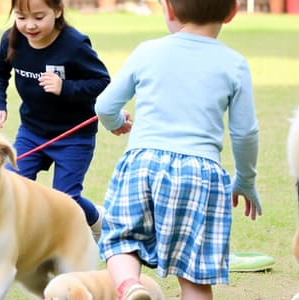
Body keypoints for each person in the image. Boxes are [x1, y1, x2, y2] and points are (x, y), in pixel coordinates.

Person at [93, 0, 261, 299]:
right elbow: (244, 133)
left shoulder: (147, 52)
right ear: (233, 11)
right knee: (194, 276)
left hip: (142, 163)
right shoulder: (234, 63)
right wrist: (245, 180)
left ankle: (130, 286)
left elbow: (105, 106)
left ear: (168, 10)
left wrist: (116, 122)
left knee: (121, 242)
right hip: (200, 174)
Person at [0, 0, 111, 240]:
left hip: (72, 137)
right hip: (32, 132)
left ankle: (96, 218)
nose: (29, 25)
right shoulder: (12, 39)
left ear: (57, 10)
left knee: (65, 200)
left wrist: (65, 87)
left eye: (39, 17)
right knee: (11, 184)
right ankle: (19, 239)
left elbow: (102, 82)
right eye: (21, 17)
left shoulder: (74, 44)